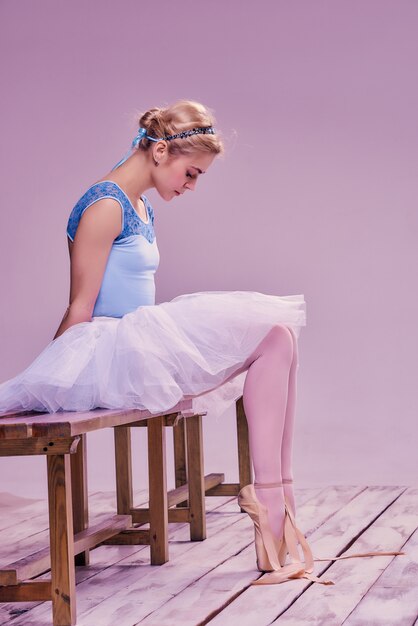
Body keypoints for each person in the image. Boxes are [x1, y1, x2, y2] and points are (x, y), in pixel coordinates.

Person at [0, 99, 402, 585]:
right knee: (273, 336)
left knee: (280, 334)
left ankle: (277, 499)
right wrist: (48, 379)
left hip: (137, 340)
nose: (190, 186)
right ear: (160, 151)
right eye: (190, 174)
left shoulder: (140, 205)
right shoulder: (105, 206)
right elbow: (80, 307)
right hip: (110, 348)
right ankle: (273, 507)